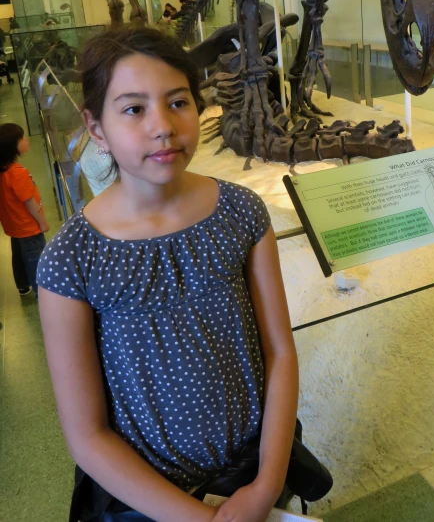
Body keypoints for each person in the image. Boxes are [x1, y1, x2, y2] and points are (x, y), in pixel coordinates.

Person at [38, 27, 299, 522]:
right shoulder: (71, 259)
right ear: (97, 128)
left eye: (178, 102)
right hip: (148, 500)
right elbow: (86, 434)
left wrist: (266, 484)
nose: (163, 126)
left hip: (252, 473)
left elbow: (279, 349)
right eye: (134, 109)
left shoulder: (241, 212)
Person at [0, 123, 49, 296]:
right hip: (28, 227)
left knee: (19, 256)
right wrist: (42, 223)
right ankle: (41, 292)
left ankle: (23, 285)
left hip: (14, 226)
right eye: (22, 138)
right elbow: (29, 202)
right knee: (36, 259)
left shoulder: (3, 171)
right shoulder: (18, 174)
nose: (26, 140)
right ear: (13, 146)